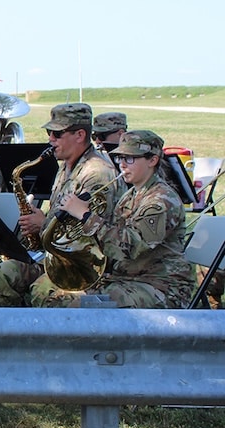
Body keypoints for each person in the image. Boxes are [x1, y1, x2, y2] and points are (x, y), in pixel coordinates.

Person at [0, 103, 125, 307]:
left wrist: (42, 223)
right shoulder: (65, 168)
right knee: (1, 275)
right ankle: (14, 332)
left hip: (84, 265)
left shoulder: (97, 174)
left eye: (57, 134)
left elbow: (88, 234)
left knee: (44, 291)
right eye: (49, 132)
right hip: (58, 256)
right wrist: (38, 219)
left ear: (79, 135)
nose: (50, 139)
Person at [58, 131, 195, 308]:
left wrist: (86, 216)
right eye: (120, 158)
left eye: (130, 159)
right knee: (53, 293)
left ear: (152, 160)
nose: (122, 165)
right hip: (127, 279)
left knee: (78, 306)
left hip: (161, 287)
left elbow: (131, 248)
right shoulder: (130, 196)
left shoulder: (161, 201)